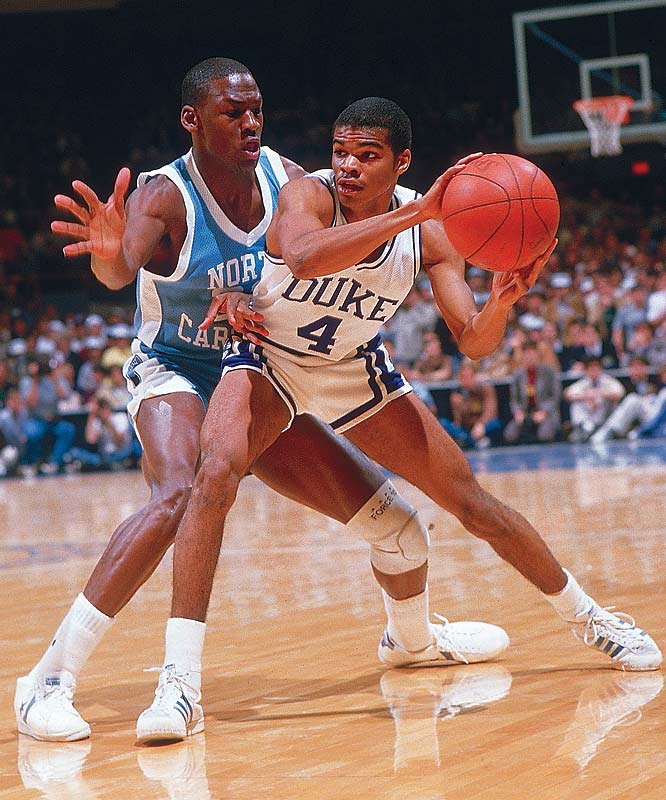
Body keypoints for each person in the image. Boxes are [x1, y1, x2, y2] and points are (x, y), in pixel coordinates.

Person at [16, 62, 504, 744]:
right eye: (232, 113)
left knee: (396, 528)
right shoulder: (164, 196)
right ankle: (48, 679)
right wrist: (104, 256)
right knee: (179, 493)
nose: (250, 124)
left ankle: (415, 642)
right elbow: (119, 267)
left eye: (256, 111)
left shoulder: (288, 179)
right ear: (192, 120)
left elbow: (308, 262)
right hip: (179, 372)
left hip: (262, 376)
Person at [158, 97, 660, 744]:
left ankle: (592, 620)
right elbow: (304, 258)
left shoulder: (431, 232)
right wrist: (417, 211)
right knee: (215, 474)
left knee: (472, 503)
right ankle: (179, 682)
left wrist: (502, 299)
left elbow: (473, 341)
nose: (348, 166)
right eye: (341, 151)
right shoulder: (308, 196)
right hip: (268, 354)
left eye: (366, 155)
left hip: (350, 366)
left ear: (402, 162)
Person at [503, 339, 561, 445]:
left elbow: (555, 397)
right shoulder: (518, 375)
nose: (529, 357)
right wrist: (518, 412)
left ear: (537, 354)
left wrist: (544, 411)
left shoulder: (549, 372)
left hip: (545, 412)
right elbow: (514, 399)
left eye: (532, 354)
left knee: (545, 435)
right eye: (527, 354)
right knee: (509, 435)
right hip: (525, 412)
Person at [564, 355, 626, 442]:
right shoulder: (584, 382)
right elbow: (568, 393)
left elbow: (620, 392)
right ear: (586, 370)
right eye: (591, 368)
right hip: (589, 417)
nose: (593, 371)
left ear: (600, 369)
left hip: (605, 418)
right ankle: (584, 428)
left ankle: (601, 431)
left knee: (600, 398)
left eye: (596, 367)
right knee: (576, 403)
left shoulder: (608, 381)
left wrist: (601, 393)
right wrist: (586, 396)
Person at [442, 361, 502, 449]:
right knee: (443, 423)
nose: (465, 380)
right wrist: (458, 407)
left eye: (467, 377)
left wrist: (481, 424)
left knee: (496, 423)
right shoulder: (457, 394)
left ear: (474, 377)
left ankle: (472, 442)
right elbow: (458, 422)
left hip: (483, 425)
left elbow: (491, 411)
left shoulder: (485, 388)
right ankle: (474, 442)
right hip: (467, 429)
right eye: (462, 377)